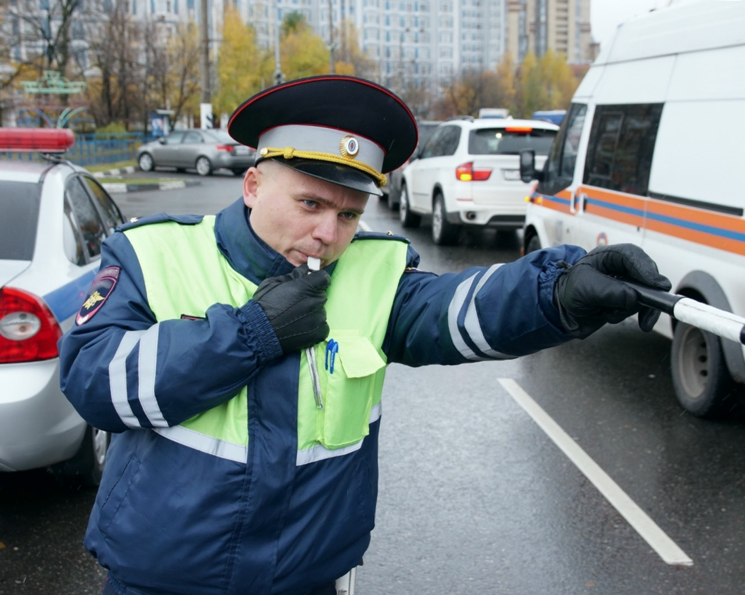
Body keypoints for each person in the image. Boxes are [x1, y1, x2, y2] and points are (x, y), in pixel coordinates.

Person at [58, 75, 671, 595]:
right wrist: (250, 334)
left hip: (305, 578)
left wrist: (562, 287)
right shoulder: (151, 253)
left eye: (349, 213)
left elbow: (458, 310)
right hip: (164, 580)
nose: (329, 232)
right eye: (309, 204)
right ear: (253, 186)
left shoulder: (372, 272)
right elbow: (92, 378)